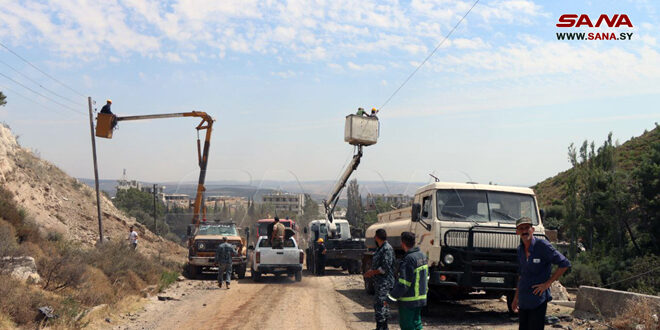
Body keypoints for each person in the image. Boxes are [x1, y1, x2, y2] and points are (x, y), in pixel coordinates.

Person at [512, 217, 570, 330]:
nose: (524, 231)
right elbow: (521, 276)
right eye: (521, 228)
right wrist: (515, 298)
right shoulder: (520, 250)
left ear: (532, 229)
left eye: (527, 228)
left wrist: (547, 284)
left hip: (538, 300)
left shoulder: (542, 246)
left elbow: (564, 263)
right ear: (517, 232)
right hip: (524, 300)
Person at [387, 232, 427, 330]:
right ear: (414, 242)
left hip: (409, 300)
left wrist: (390, 298)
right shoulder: (422, 256)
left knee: (407, 326)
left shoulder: (409, 259)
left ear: (402, 243)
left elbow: (403, 284)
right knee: (417, 324)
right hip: (420, 298)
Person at [363, 229, 395, 330]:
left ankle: (382, 327)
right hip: (379, 283)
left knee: (381, 305)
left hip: (385, 283)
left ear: (377, 237)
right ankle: (381, 327)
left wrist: (372, 272)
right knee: (379, 305)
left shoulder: (387, 249)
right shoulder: (380, 248)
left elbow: (385, 268)